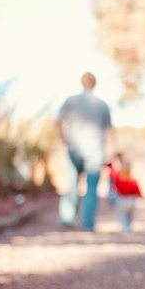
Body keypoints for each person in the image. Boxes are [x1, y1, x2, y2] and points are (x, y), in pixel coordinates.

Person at [57, 72, 116, 231]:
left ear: (82, 83)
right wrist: (111, 152)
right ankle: (87, 223)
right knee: (91, 186)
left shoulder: (70, 100)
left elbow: (58, 122)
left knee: (72, 183)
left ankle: (67, 219)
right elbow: (109, 131)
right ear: (94, 84)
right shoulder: (102, 104)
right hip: (95, 150)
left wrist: (64, 140)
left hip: (74, 146)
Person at [108, 155, 142, 233]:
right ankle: (128, 227)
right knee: (130, 215)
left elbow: (114, 189)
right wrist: (141, 197)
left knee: (122, 215)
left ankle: (125, 227)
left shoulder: (118, 180)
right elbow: (137, 191)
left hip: (122, 200)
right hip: (132, 200)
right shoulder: (133, 180)